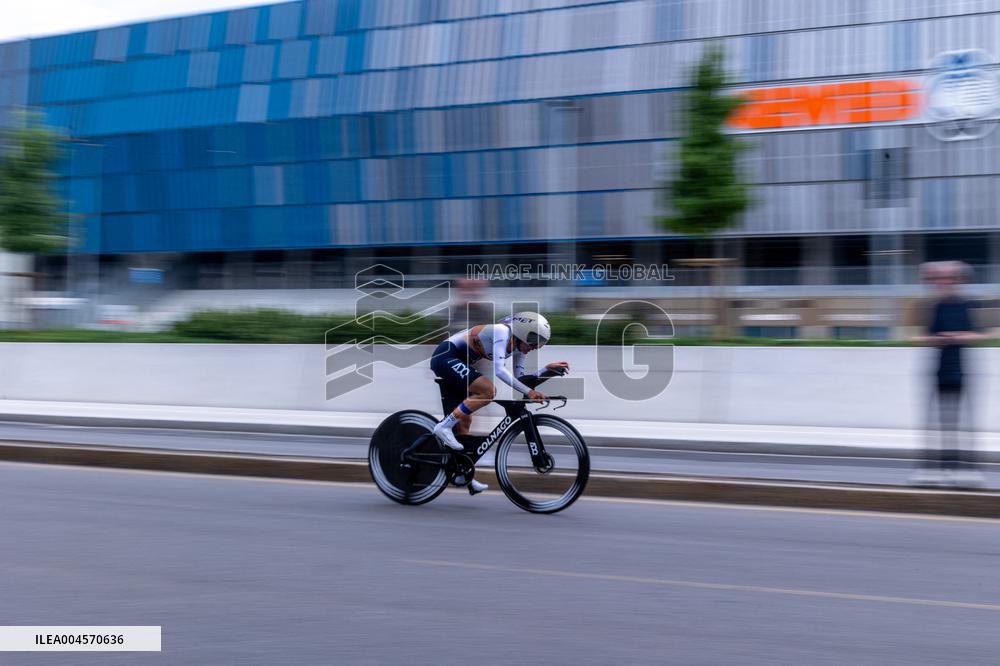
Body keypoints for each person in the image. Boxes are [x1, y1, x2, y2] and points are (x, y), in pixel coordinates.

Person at [429, 312, 570, 495]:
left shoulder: (519, 348)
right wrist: (529, 392)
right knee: (488, 391)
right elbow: (500, 371)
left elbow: (521, 380)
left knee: (464, 421)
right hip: (445, 357)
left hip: (460, 363)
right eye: (534, 340)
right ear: (522, 331)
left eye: (541, 343)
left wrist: (546, 371)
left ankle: (463, 474)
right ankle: (443, 427)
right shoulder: (502, 332)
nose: (535, 347)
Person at [911, 261, 986, 488]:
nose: (943, 283)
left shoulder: (967, 305)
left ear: (958, 281)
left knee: (963, 423)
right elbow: (917, 337)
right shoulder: (932, 306)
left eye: (949, 279)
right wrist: (936, 339)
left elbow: (979, 335)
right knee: (936, 424)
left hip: (961, 371)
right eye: (939, 279)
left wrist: (957, 336)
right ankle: (934, 470)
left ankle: (966, 471)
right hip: (938, 371)